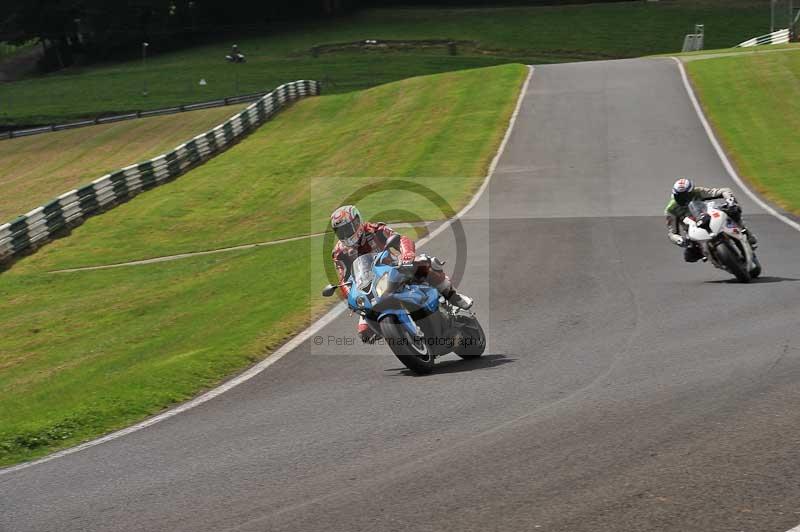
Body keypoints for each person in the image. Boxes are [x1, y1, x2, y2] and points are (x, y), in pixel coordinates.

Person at [330, 205, 473, 343]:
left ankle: (453, 296)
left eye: (347, 229)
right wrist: (351, 296)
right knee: (364, 331)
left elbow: (400, 239)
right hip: (370, 286)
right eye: (340, 231)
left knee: (424, 263)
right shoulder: (339, 252)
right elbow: (344, 279)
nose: (345, 234)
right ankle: (399, 336)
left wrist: (407, 254)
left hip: (394, 267)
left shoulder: (374, 230)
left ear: (357, 221)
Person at [665, 178, 757, 262]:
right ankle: (713, 256)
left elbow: (724, 191)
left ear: (692, 191)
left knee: (733, 211)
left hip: (709, 216)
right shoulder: (671, 209)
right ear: (674, 194)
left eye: (686, 195)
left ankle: (746, 232)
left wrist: (730, 201)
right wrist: (680, 240)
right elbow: (672, 233)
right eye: (680, 196)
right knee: (689, 257)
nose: (684, 199)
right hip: (694, 230)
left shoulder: (698, 191)